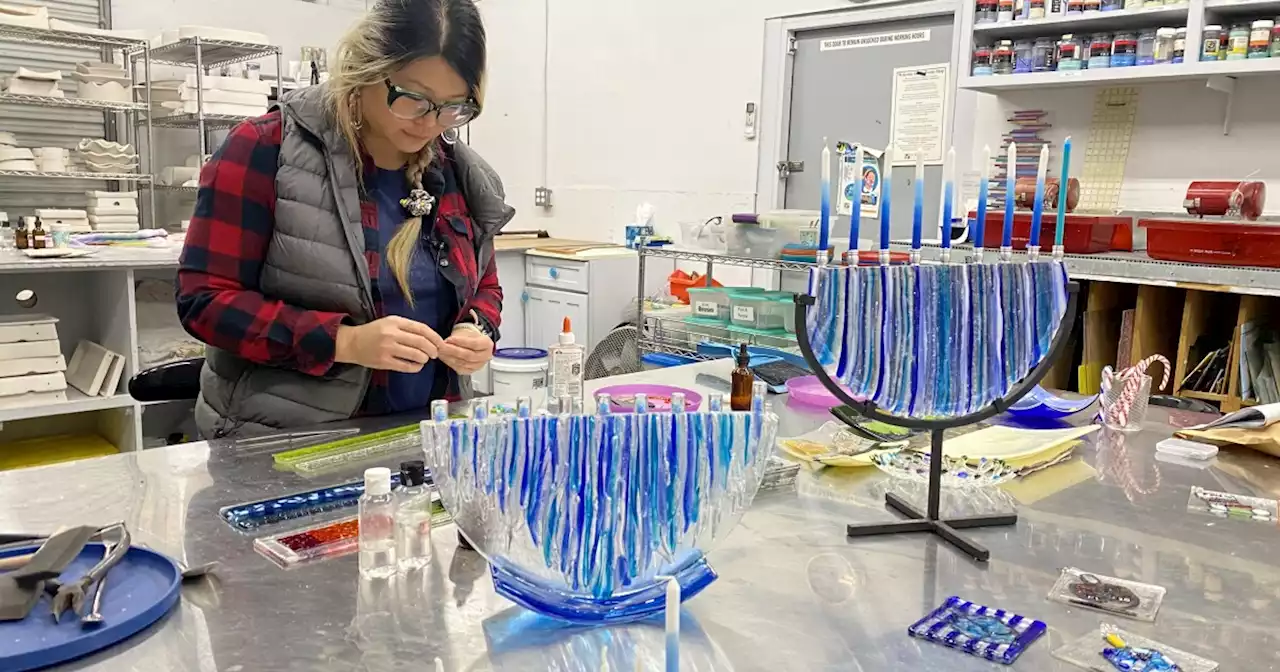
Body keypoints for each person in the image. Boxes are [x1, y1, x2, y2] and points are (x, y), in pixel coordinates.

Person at [176, 0, 512, 438]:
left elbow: (485, 284)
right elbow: (204, 300)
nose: (430, 123)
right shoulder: (266, 149)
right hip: (288, 441)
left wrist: (477, 327)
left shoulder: (456, 173)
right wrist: (345, 342)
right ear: (366, 68)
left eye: (453, 106)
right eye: (413, 98)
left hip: (426, 435)